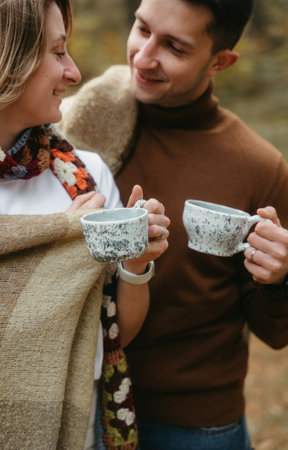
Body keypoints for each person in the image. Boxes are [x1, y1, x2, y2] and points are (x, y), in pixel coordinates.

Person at [59, 0, 288, 448]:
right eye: (142, 28)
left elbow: (277, 332)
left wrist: (283, 277)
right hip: (81, 404)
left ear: (220, 62)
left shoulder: (260, 167)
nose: (144, 56)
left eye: (174, 46)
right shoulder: (82, 127)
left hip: (192, 425)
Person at [0, 1, 170, 450]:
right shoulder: (76, 207)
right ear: (7, 61)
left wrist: (135, 260)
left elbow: (113, 334)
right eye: (57, 53)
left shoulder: (84, 179)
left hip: (74, 428)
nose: (74, 73)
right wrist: (57, 239)